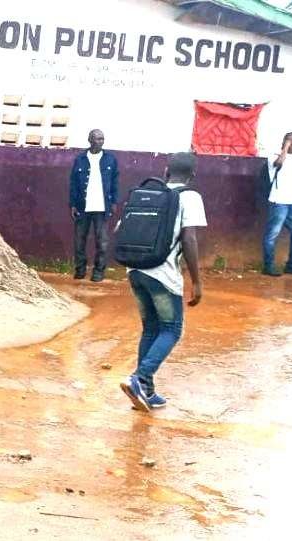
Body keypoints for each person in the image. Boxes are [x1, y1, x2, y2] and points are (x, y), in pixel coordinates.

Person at [120, 152, 206, 412]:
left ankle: (145, 391)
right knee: (171, 329)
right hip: (162, 274)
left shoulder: (148, 193)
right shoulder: (190, 197)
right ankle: (140, 378)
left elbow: (120, 229)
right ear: (192, 175)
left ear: (166, 171)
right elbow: (189, 238)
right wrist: (196, 281)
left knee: (150, 329)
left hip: (135, 270)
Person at [69, 129, 119, 282]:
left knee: (102, 242)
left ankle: (98, 271)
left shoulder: (110, 159)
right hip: (82, 206)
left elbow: (115, 182)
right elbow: (73, 183)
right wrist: (72, 204)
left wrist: (114, 202)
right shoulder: (80, 159)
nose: (101, 141)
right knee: (79, 241)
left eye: (102, 139)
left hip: (102, 207)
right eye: (97, 139)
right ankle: (80, 269)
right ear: (90, 140)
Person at [262, 132, 292, 277]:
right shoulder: (274, 156)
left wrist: (289, 148)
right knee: (272, 234)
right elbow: (278, 164)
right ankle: (268, 266)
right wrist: (286, 146)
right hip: (279, 202)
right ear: (286, 143)